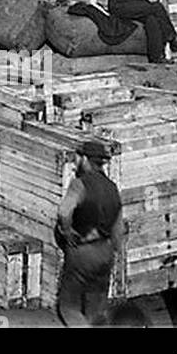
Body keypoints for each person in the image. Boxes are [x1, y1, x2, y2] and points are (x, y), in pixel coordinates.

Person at [55, 138, 124, 327]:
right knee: (97, 312)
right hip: (106, 252)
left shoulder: (79, 184)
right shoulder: (112, 188)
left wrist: (68, 232)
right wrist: (114, 252)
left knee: (69, 307)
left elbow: (64, 211)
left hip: (83, 252)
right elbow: (119, 228)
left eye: (79, 158)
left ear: (84, 159)